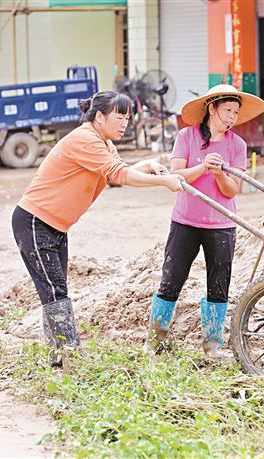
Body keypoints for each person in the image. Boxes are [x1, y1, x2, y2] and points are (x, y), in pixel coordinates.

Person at [12, 90, 184, 366]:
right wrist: (164, 182)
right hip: (35, 221)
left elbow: (116, 174)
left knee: (56, 289)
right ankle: (66, 360)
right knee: (55, 290)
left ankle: (60, 357)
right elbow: (119, 175)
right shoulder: (85, 139)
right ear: (99, 116)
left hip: (55, 226)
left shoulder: (104, 144)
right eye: (119, 116)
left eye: (128, 117)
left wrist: (150, 165)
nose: (125, 122)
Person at [145, 84, 264, 360]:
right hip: (185, 222)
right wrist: (202, 167)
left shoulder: (237, 145)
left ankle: (213, 346)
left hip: (221, 224)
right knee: (171, 280)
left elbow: (231, 190)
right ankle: (155, 340)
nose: (232, 117)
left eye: (235, 112)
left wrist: (221, 173)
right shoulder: (186, 137)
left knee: (218, 284)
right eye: (227, 110)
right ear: (211, 108)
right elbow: (175, 178)